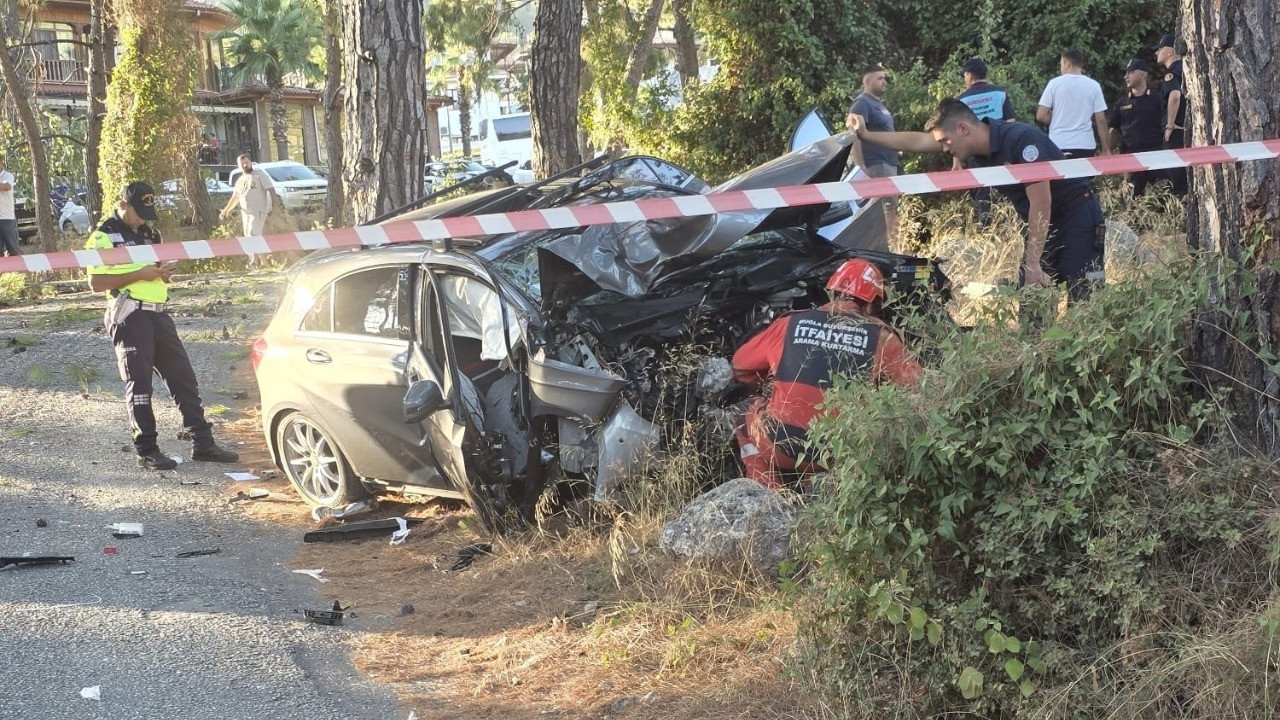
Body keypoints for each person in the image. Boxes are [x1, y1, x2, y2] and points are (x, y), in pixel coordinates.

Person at [851, 98, 1106, 302]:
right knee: (1032, 303)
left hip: (1075, 216)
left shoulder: (1020, 140)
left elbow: (1042, 203)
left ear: (963, 129)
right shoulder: (972, 148)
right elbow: (917, 140)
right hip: (1041, 225)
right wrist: (866, 135)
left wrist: (1032, 261)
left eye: (946, 141)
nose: (945, 149)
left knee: (1086, 301)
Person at [86, 182, 240, 471]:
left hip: (158, 312)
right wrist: (139, 274)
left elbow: (153, 270)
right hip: (130, 313)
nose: (143, 219)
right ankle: (146, 450)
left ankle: (203, 443)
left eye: (147, 212)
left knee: (184, 378)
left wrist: (162, 273)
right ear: (123, 205)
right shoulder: (103, 236)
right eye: (139, 212)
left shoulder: (149, 233)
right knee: (140, 384)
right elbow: (96, 283)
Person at [733, 258, 922, 489]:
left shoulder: (790, 323)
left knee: (741, 413)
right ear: (872, 304)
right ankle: (821, 485)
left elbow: (740, 366)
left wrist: (769, 383)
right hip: (839, 455)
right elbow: (920, 389)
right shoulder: (882, 338)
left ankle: (767, 490)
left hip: (778, 446)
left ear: (832, 292)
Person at [957, 57, 1015, 224]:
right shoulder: (1000, 93)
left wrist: (957, 159)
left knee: (983, 196)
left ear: (969, 75)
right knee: (1006, 192)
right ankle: (1008, 229)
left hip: (974, 154)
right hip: (1001, 150)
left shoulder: (961, 100)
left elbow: (956, 133)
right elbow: (1011, 124)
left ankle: (986, 231)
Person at [846, 66, 900, 241]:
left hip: (888, 163)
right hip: (877, 165)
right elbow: (853, 137)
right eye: (880, 78)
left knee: (894, 207)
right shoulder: (861, 103)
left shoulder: (877, 104)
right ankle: (893, 248)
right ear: (867, 81)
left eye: (884, 78)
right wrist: (862, 167)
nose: (884, 82)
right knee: (888, 209)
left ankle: (897, 244)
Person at [1036, 49, 1111, 158]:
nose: (1061, 68)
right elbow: (1101, 120)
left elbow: (1041, 115)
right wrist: (1105, 148)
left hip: (1058, 143)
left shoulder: (1054, 84)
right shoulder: (1094, 86)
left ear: (1067, 64)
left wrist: (1057, 119)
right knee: (1083, 175)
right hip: (1085, 145)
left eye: (1061, 64)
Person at [1106, 59, 1165, 197]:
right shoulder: (1122, 102)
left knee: (1164, 196)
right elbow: (1113, 129)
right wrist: (1108, 150)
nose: (1126, 76)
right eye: (1125, 73)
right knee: (1132, 200)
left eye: (1130, 72)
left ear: (1143, 74)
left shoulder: (1157, 99)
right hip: (1131, 157)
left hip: (1156, 155)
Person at [1154, 33, 1188, 196]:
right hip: (1184, 129)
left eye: (1159, 49)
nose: (1156, 53)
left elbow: (1175, 96)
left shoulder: (1172, 72)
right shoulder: (1185, 68)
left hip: (1175, 131)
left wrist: (1170, 125)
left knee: (1175, 175)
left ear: (1169, 51)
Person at [219, 154, 279, 236]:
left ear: (250, 162)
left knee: (253, 235)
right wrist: (226, 210)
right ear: (239, 166)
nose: (245, 165)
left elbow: (271, 190)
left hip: (258, 212)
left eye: (246, 162)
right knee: (248, 237)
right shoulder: (240, 180)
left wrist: (275, 207)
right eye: (242, 164)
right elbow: (236, 197)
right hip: (246, 213)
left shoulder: (259, 174)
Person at [0, 153, 20, 257]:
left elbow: (7, 186)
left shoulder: (8, 176)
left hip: (7, 218)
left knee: (13, 250)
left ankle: (17, 272)